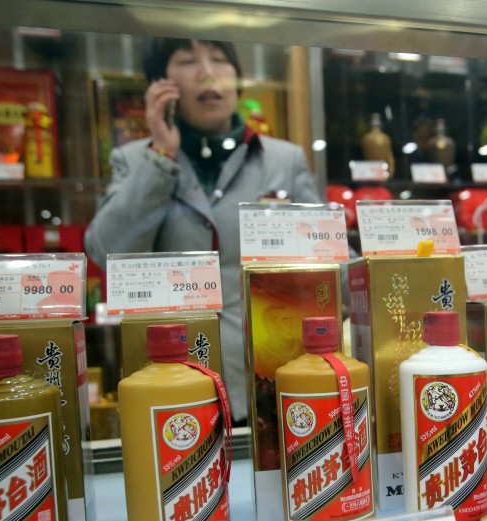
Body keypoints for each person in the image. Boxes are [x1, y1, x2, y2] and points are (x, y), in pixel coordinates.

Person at [85, 38, 321, 423]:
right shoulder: (136, 159)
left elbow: (326, 261)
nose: (208, 72)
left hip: (271, 374)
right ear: (161, 83)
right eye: (188, 60)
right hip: (173, 375)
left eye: (219, 60)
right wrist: (161, 157)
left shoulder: (283, 159)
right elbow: (106, 252)